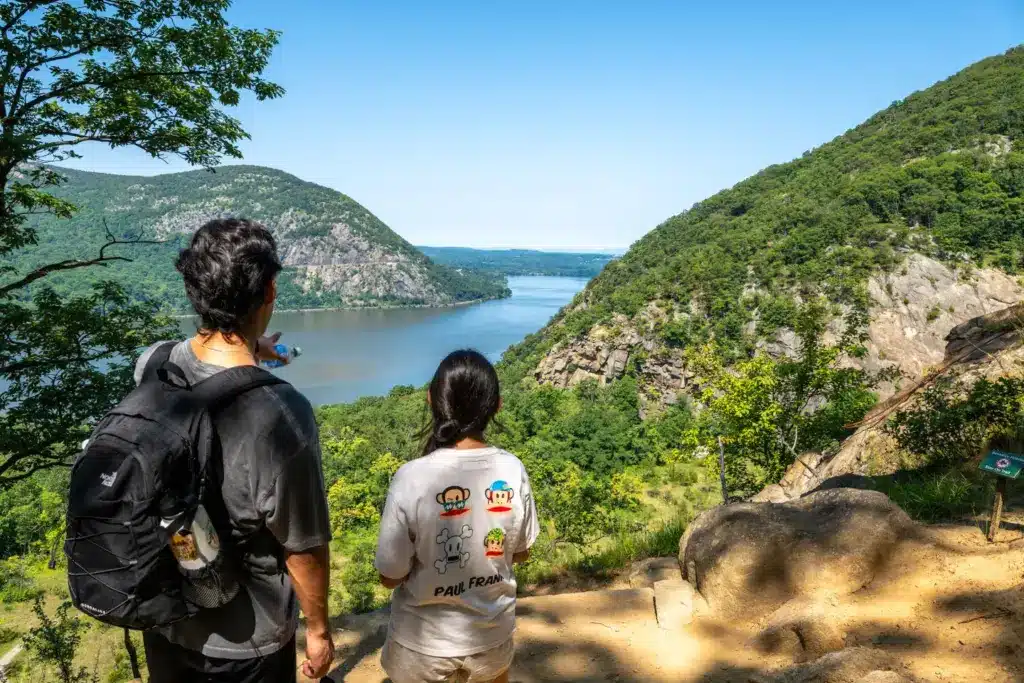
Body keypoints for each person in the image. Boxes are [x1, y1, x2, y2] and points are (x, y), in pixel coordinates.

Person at [135, 218, 334, 683]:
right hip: (246, 642)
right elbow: (303, 546)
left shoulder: (153, 363)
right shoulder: (281, 410)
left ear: (194, 290)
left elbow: (203, 361)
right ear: (269, 292)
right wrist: (319, 631)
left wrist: (247, 347)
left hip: (166, 617)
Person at [375, 350, 539, 683]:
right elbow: (521, 552)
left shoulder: (411, 476)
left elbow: (389, 576)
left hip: (422, 647)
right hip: (491, 639)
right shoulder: (512, 469)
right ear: (497, 406)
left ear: (431, 401)